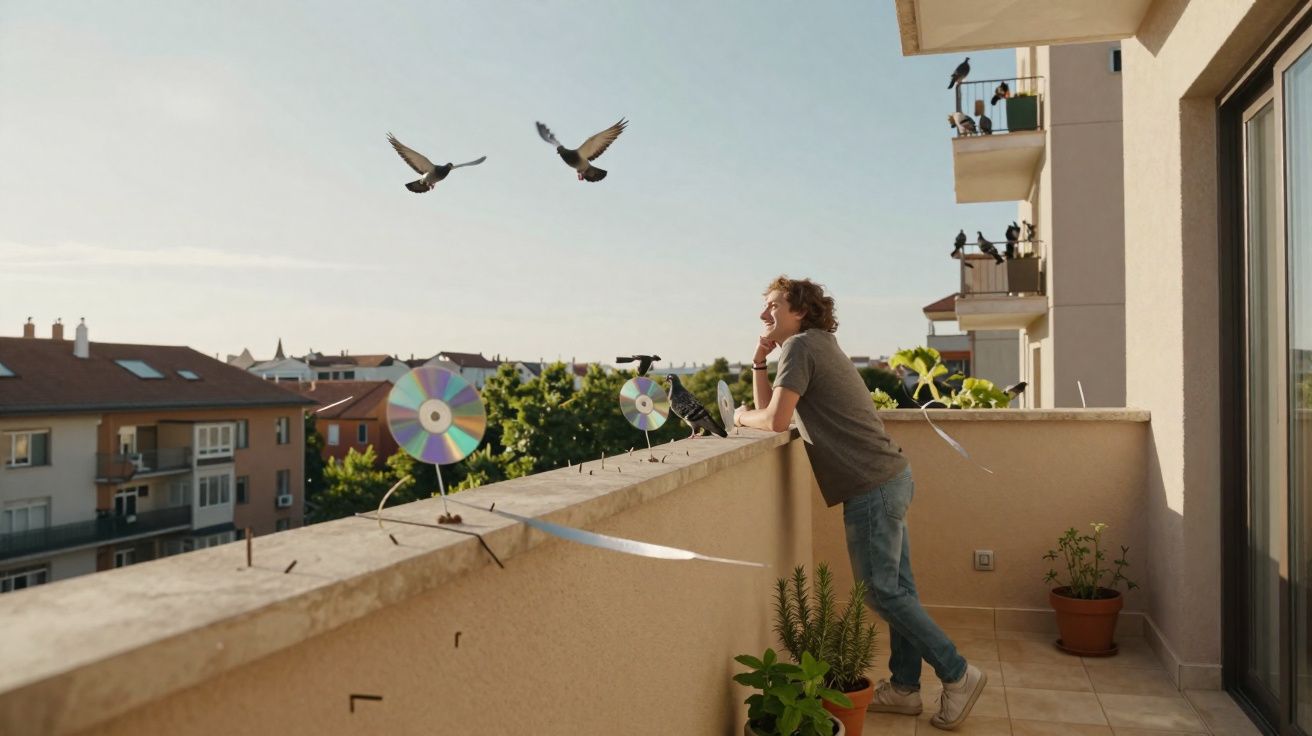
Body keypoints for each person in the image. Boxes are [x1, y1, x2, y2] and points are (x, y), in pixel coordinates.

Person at [733, 276, 986, 731]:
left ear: (800, 311)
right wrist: (757, 363)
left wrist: (736, 416)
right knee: (898, 592)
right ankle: (906, 689)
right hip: (888, 478)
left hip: (872, 487)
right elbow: (774, 409)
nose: (763, 314)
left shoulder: (801, 348)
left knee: (882, 592)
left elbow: (773, 421)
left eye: (772, 305)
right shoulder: (815, 344)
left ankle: (958, 673)